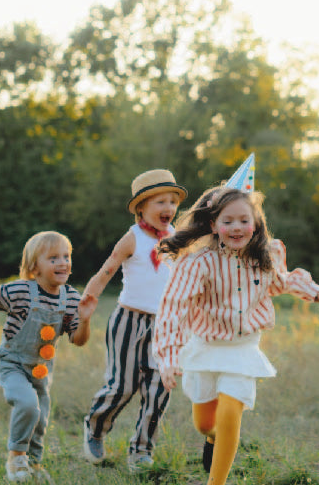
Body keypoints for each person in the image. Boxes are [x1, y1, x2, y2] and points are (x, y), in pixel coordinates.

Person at [152, 155, 319, 485]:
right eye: (227, 221)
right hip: (205, 344)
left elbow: (282, 281)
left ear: (255, 223)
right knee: (205, 422)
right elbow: (174, 307)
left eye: (244, 220)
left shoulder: (266, 255)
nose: (236, 228)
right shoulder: (198, 262)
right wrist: (169, 357)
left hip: (243, 347)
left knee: (231, 411)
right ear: (214, 225)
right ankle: (212, 439)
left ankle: (216, 481)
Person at [0, 231, 95, 483]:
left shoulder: (71, 298)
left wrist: (85, 319)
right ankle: (15, 457)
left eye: (66, 256)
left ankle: (33, 463)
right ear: (34, 268)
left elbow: (78, 340)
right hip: (11, 363)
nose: (63, 262)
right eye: (53, 258)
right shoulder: (19, 291)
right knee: (27, 405)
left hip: (41, 369)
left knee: (40, 418)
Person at [81, 168, 187, 472]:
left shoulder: (177, 238)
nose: (168, 209)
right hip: (129, 321)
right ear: (141, 207)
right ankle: (95, 428)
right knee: (122, 387)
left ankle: (141, 449)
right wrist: (90, 295)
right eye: (160, 202)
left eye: (172, 202)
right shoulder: (133, 237)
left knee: (159, 390)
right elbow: (108, 268)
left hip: (166, 325)